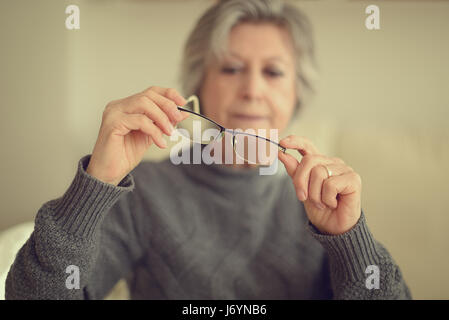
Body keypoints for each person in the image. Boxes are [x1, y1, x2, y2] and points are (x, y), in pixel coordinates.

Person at [6, 0, 412, 299]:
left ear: (296, 93)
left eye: (273, 72)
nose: (252, 90)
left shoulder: (326, 200)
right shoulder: (144, 193)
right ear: (199, 85)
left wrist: (348, 238)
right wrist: (94, 184)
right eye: (231, 68)